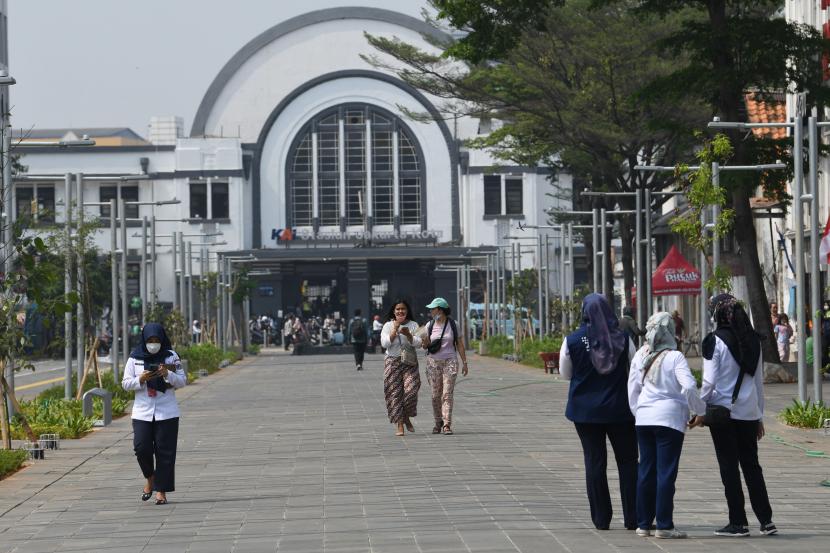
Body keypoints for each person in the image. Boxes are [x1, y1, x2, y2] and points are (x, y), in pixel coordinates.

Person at [698, 294, 776, 537]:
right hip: (748, 414)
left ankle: (738, 522)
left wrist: (699, 410)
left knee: (729, 467)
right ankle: (766, 520)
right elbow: (759, 384)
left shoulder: (715, 341)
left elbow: (709, 382)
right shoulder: (754, 340)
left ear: (717, 314)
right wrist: (759, 416)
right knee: (752, 466)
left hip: (722, 414)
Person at [559, 293, 638, 531]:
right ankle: (634, 516)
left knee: (595, 462)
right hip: (619, 410)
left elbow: (566, 374)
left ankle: (601, 519)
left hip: (585, 412)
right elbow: (634, 369)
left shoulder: (572, 340)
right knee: (628, 462)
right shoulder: (624, 338)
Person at [628, 312, 706, 539]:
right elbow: (689, 387)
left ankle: (643, 523)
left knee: (646, 470)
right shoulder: (675, 357)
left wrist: (639, 413)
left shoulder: (641, 354)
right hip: (669, 420)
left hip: (644, 419)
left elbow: (632, 389)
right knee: (666, 473)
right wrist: (699, 411)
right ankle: (664, 525)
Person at [121, 323, 187, 505]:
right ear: (144, 340)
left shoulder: (171, 356)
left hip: (167, 412)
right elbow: (125, 383)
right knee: (141, 448)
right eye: (150, 340)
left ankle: (161, 491)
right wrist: (140, 380)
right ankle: (150, 478)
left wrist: (168, 374)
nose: (153, 344)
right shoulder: (134, 358)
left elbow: (182, 381)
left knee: (165, 452)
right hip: (142, 412)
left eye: (157, 340)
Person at [423, 297, 468, 435]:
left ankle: (447, 424)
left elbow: (459, 343)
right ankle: (438, 422)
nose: (430, 311)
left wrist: (465, 362)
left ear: (440, 310)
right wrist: (424, 341)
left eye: (433, 308)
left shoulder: (454, 324)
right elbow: (425, 345)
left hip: (450, 361)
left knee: (447, 394)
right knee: (435, 395)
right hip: (433, 363)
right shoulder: (429, 325)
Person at [380, 299, 422, 436]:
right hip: (392, 362)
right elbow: (384, 343)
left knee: (411, 391)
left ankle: (405, 416)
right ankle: (400, 425)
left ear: (407, 311)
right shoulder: (387, 325)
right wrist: (394, 330)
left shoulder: (413, 325)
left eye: (403, 309)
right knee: (395, 394)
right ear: (394, 311)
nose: (400, 311)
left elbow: (419, 343)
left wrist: (409, 335)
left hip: (409, 362)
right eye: (397, 309)